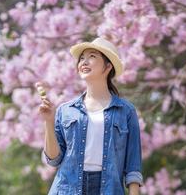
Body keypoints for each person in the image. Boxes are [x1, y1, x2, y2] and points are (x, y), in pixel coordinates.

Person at [37, 37, 143, 195]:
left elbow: (133, 166)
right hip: (67, 189)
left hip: (108, 189)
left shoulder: (126, 111)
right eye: (81, 58)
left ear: (108, 66)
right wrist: (48, 122)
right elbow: (53, 159)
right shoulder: (65, 110)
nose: (84, 62)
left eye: (92, 56)